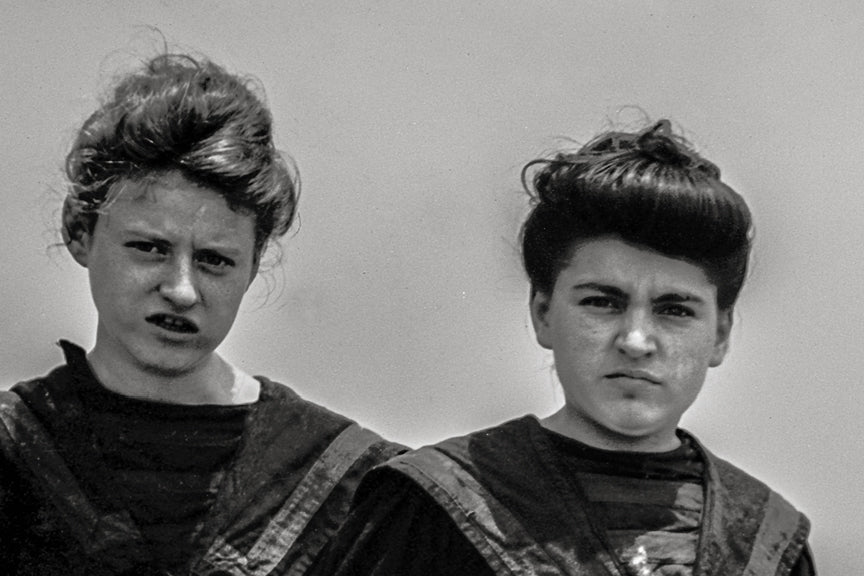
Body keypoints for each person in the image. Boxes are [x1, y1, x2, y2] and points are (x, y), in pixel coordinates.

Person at [315, 120, 815, 575]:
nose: (636, 341)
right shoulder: (435, 506)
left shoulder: (767, 543)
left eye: (675, 309)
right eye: (602, 302)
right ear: (543, 314)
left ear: (721, 335)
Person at [0, 53, 403, 575]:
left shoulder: (349, 486)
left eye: (215, 260)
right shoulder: (13, 454)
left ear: (253, 266)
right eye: (149, 248)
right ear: (79, 231)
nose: (182, 290)